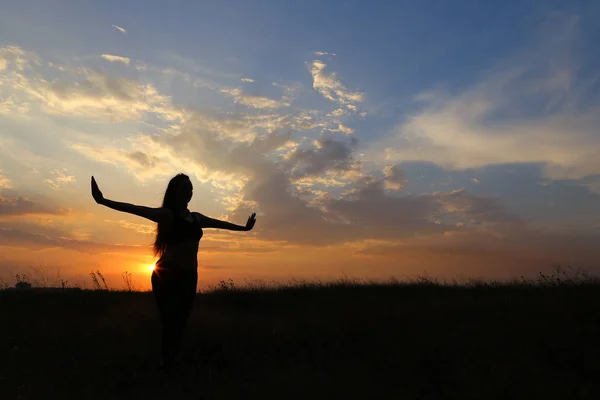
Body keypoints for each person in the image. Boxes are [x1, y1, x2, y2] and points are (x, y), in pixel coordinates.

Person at [90, 173, 256, 369]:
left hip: (189, 276)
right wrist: (103, 201)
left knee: (181, 320)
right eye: (185, 188)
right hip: (168, 275)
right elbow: (135, 209)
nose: (189, 192)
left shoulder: (196, 218)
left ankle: (170, 361)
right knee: (171, 321)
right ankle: (168, 365)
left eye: (191, 188)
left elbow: (220, 224)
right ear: (175, 191)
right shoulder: (167, 215)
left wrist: (244, 228)